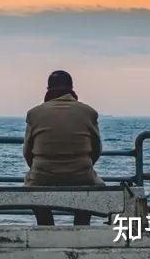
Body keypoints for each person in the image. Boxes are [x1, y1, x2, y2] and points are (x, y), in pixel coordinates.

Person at [22, 70, 103, 226]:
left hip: (42, 177)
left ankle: (46, 226)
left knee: (32, 187)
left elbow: (27, 153)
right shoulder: (89, 112)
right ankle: (81, 226)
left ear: (48, 89)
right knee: (93, 188)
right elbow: (96, 150)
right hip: (81, 176)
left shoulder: (34, 114)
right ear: (72, 88)